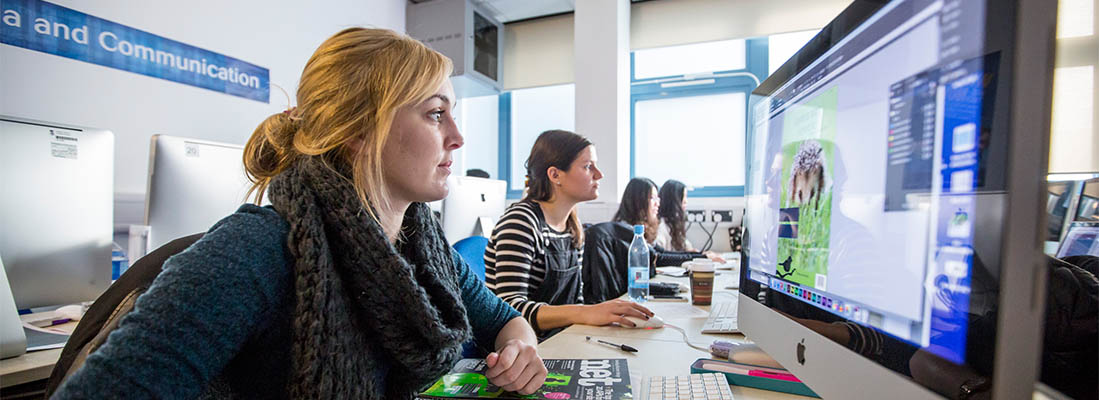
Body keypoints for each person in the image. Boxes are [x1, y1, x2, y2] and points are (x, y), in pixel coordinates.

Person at [53, 28, 546, 399]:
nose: (457, 136)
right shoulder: (258, 250)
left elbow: (505, 320)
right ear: (358, 132)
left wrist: (522, 348)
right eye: (436, 113)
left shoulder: (424, 249)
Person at [484, 130, 653, 336]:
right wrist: (585, 313)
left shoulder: (572, 226)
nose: (599, 175)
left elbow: (575, 300)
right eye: (588, 166)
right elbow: (510, 310)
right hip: (520, 350)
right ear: (555, 175)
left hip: (559, 339)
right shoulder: (521, 222)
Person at [581, 178, 718, 303]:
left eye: (657, 198)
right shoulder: (623, 232)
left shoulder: (640, 227)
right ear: (638, 201)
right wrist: (701, 257)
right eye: (652, 198)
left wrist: (700, 256)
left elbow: (660, 252)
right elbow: (659, 258)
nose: (658, 203)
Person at [655, 179, 725, 259]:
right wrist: (702, 256)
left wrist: (699, 254)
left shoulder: (674, 224)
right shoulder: (661, 227)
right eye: (684, 197)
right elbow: (661, 257)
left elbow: (687, 249)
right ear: (674, 200)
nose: (686, 201)